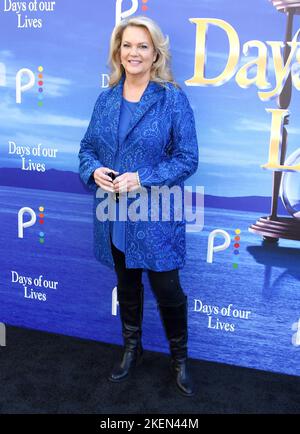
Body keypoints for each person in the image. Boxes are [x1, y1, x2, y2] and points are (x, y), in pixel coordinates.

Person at [78, 15, 198, 397]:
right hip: (113, 216)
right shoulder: (106, 98)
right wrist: (93, 169)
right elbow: (86, 149)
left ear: (155, 53)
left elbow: (187, 158)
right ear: (118, 51)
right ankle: (133, 350)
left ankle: (179, 360)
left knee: (168, 291)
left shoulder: (172, 98)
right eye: (127, 45)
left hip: (157, 216)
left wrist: (141, 177)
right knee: (127, 287)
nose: (134, 53)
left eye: (142, 46)